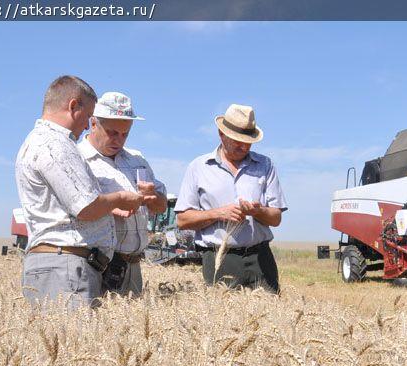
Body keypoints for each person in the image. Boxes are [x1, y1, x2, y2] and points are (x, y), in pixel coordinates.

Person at [15, 76, 149, 310]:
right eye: (88, 117)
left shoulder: (43, 141)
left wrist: (107, 206)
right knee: (69, 339)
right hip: (63, 266)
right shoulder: (54, 144)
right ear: (73, 106)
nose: (87, 125)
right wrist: (119, 198)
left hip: (62, 265)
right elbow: (85, 207)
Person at [175, 104, 288, 293]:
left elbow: (276, 218)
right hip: (219, 259)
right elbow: (182, 220)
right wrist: (219, 213)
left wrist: (258, 211)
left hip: (260, 259)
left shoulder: (265, 165)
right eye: (237, 140)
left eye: (248, 141)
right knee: (223, 319)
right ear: (221, 134)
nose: (244, 146)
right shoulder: (198, 167)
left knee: (270, 318)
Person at [78, 92, 167, 297]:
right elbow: (76, 209)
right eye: (112, 132)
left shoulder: (137, 159)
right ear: (93, 124)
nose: (119, 140)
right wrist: (110, 207)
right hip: (98, 264)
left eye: (125, 134)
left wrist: (153, 197)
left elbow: (161, 206)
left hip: (133, 265)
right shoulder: (79, 158)